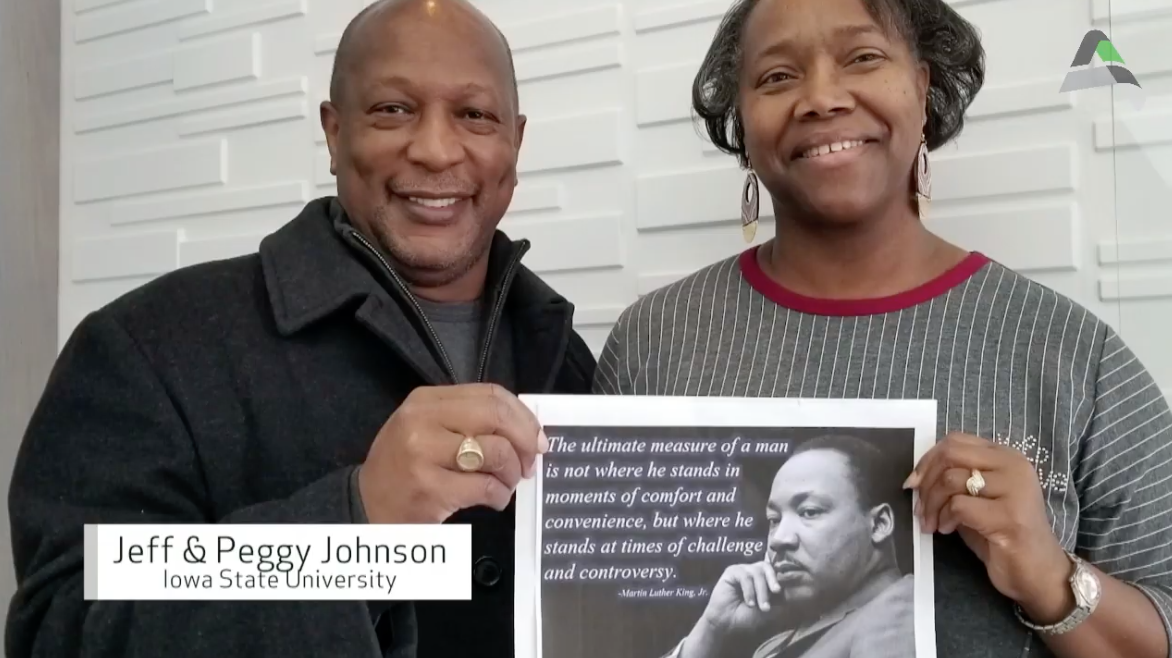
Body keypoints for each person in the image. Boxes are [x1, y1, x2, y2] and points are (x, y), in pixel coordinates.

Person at [5, 1, 596, 657]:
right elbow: (58, 629)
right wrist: (354, 527)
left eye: (474, 115)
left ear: (514, 141)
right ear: (334, 130)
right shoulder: (149, 347)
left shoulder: (566, 362)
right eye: (392, 109)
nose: (433, 148)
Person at [594, 0, 1172, 657]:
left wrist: (1049, 577)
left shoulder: (1068, 352)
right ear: (742, 124)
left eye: (862, 58)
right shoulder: (653, 345)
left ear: (923, 90)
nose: (821, 97)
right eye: (778, 77)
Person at [672, 435, 914, 658]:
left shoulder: (897, 613)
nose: (779, 539)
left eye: (809, 512)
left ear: (879, 524)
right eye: (774, 520)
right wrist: (712, 627)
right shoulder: (785, 638)